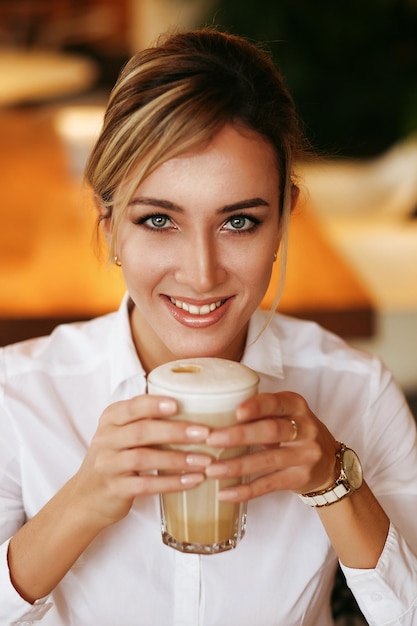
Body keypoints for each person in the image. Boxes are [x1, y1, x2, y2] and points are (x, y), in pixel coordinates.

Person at [0, 27, 416, 626]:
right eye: (159, 220)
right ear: (109, 221)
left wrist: (334, 480)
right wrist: (82, 502)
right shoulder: (22, 395)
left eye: (240, 222)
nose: (201, 274)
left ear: (284, 220)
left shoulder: (357, 391)